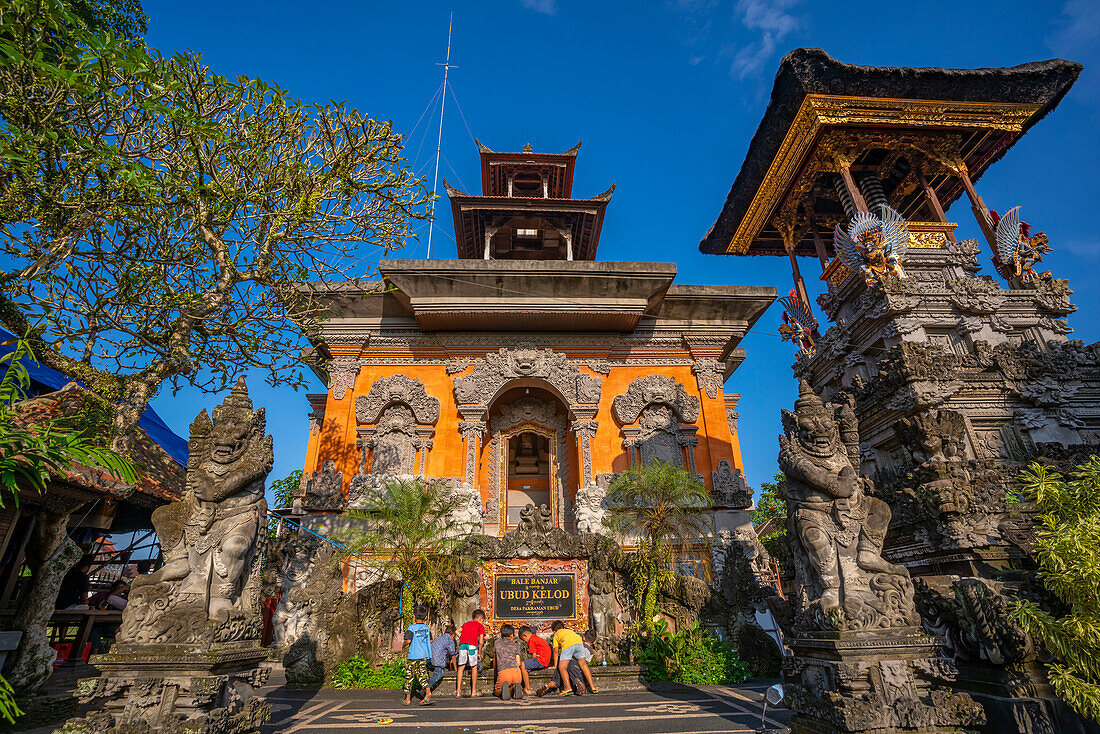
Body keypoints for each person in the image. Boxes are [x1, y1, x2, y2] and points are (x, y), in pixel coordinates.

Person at [550, 621, 598, 695]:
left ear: (554, 631)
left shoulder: (556, 635)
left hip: (568, 645)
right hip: (579, 642)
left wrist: (555, 665)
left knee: (562, 667)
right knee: (584, 665)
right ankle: (593, 687)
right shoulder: (569, 631)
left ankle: (568, 687)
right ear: (563, 627)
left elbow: (556, 651)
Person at [402, 605, 434, 706]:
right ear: (425, 617)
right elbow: (431, 640)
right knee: (423, 675)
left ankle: (407, 699)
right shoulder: (426, 628)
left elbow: (408, 640)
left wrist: (403, 645)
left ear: (414, 616)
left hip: (413, 656)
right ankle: (428, 692)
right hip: (423, 655)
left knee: (409, 676)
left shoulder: (411, 628)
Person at [456, 609, 487, 698]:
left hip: (462, 645)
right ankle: (473, 691)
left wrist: (463, 638)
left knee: (461, 667)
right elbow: (481, 642)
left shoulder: (466, 624)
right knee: (474, 667)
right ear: (481, 619)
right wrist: (479, 653)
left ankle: (458, 691)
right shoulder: (480, 626)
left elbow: (457, 631)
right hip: (472, 646)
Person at [492, 624, 525, 701]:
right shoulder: (515, 645)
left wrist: (495, 669)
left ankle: (505, 689)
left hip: (504, 672)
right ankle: (514, 689)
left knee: (496, 691)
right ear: (511, 635)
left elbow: (495, 659)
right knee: (512, 685)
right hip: (516, 672)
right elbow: (518, 663)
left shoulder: (497, 643)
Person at [519, 626, 550, 695]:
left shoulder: (531, 640)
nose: (525, 641)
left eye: (524, 639)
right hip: (545, 660)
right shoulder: (536, 638)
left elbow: (534, 656)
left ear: (525, 635)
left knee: (523, 665)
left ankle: (527, 688)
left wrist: (527, 663)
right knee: (525, 664)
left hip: (541, 660)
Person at [428, 624, 457, 692]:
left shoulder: (439, 637)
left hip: (430, 659)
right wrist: (455, 669)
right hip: (438, 661)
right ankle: (426, 688)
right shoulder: (450, 640)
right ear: (453, 635)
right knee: (439, 674)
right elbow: (453, 656)